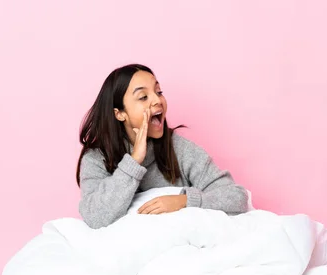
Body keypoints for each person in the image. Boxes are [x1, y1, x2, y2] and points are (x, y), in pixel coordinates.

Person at [75, 64, 249, 229]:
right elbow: (95, 217)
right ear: (119, 114)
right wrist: (134, 162)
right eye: (143, 97)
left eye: (159, 92)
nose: (157, 100)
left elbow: (236, 198)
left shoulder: (179, 148)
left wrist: (183, 201)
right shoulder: (96, 158)